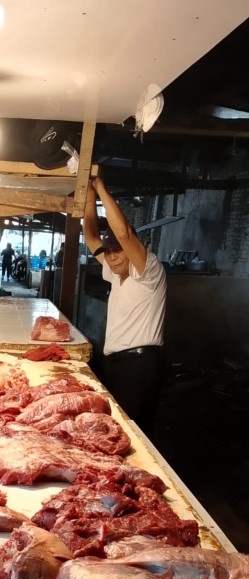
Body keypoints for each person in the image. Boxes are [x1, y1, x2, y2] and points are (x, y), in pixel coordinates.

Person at [83, 177, 166, 436]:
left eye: (118, 251)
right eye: (108, 253)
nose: (112, 257)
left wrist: (100, 187)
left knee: (133, 434)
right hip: (118, 364)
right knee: (115, 431)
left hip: (139, 367)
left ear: (133, 251)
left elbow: (124, 234)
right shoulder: (114, 272)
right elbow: (90, 235)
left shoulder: (148, 271)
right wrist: (87, 194)